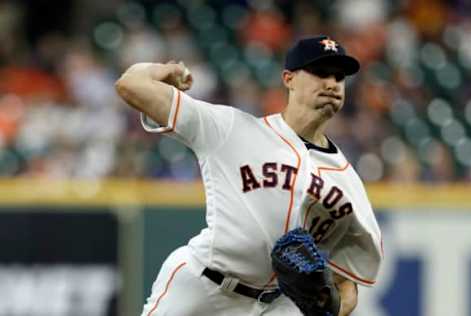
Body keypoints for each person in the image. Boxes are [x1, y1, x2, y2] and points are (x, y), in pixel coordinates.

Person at [115, 35, 383, 316]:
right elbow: (130, 85)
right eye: (320, 73)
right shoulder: (232, 129)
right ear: (288, 78)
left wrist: (331, 306)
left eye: (339, 77)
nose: (331, 84)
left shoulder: (349, 183)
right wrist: (162, 70)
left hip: (275, 307)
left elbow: (348, 283)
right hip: (201, 287)